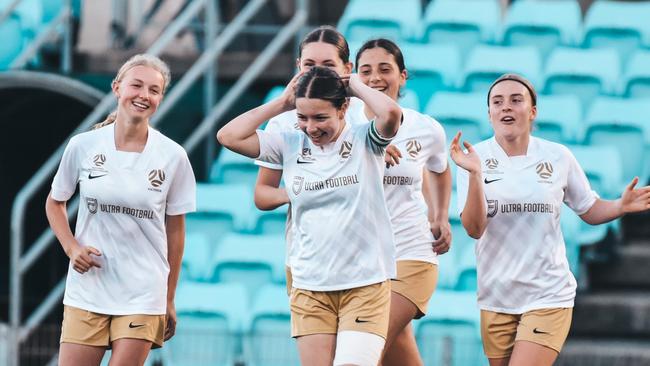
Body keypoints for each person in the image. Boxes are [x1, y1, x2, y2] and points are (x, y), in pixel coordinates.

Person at [450, 73, 650, 366]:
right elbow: (474, 229)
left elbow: (589, 209)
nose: (506, 107)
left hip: (548, 293)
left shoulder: (558, 156)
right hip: (496, 296)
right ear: (489, 113)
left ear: (532, 112)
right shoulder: (472, 158)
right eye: (498, 102)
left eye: (516, 100)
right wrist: (475, 174)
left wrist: (619, 205)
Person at [217, 66, 401, 366]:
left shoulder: (365, 140)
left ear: (343, 109)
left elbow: (390, 114)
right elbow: (228, 136)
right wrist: (281, 103)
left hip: (365, 283)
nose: (311, 127)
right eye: (302, 117)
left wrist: (354, 85)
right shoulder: (289, 143)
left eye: (320, 117)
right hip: (310, 286)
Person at [45, 54, 196, 366]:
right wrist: (72, 248)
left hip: (143, 292)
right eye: (136, 85)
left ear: (161, 98)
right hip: (88, 290)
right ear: (117, 88)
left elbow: (176, 231)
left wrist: (168, 298)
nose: (144, 95)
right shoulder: (83, 145)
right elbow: (54, 203)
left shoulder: (174, 156)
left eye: (154, 90)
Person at [353, 38, 452, 366]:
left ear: (403, 76)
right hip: (360, 262)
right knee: (397, 356)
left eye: (385, 69)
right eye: (365, 71)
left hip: (411, 255)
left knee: (364, 351)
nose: (375, 78)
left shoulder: (426, 128)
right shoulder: (341, 126)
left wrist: (440, 214)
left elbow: (439, 169)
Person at [253, 26, 363, 294]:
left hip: (362, 259)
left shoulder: (364, 114)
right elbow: (262, 195)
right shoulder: (283, 121)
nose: (318, 72)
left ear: (347, 67)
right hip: (306, 259)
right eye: (309, 64)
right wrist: (303, 190)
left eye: (329, 64)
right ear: (298, 66)